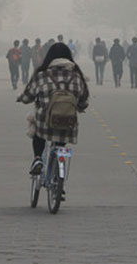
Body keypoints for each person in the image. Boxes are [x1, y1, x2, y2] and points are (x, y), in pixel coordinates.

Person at [17, 42, 90, 175]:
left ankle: (38, 159)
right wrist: (80, 106)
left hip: (44, 123)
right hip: (67, 123)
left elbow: (28, 97)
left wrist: (21, 98)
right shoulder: (77, 76)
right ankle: (58, 177)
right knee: (60, 139)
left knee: (37, 131)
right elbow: (83, 100)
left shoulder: (41, 75)